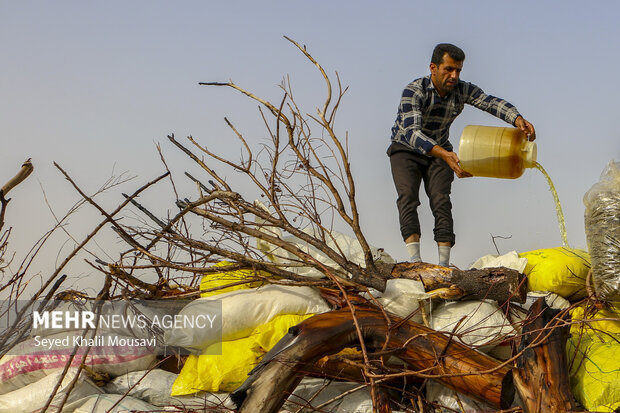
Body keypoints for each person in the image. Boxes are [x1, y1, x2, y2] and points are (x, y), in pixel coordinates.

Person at [387, 43, 536, 266]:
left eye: (458, 70)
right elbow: (412, 133)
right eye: (448, 69)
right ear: (433, 68)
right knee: (408, 197)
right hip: (406, 148)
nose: (454, 76)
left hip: (440, 150)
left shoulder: (461, 90)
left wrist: (517, 119)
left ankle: (444, 265)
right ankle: (415, 261)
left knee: (441, 200)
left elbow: (490, 102)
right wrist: (444, 154)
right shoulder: (414, 91)